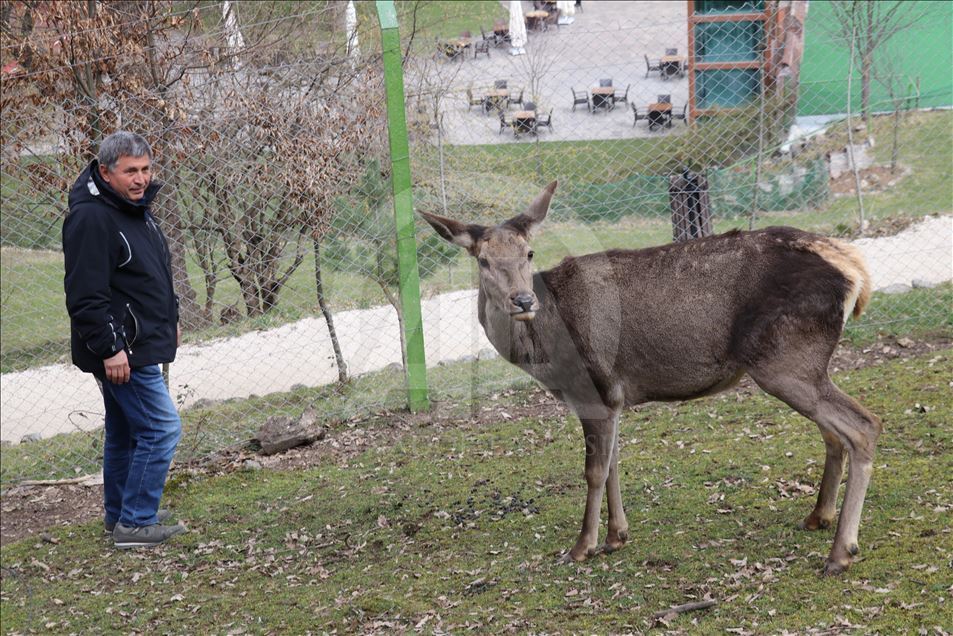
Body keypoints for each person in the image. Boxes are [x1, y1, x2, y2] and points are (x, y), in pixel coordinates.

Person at [63, 131, 185, 548]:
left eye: (146, 169)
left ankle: (120, 514)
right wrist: (110, 349)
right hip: (121, 350)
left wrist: (171, 320)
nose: (141, 179)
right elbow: (86, 297)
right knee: (161, 428)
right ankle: (136, 522)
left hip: (137, 341)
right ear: (105, 172)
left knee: (125, 430)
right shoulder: (92, 218)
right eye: (130, 171)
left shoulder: (131, 208)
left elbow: (150, 275)